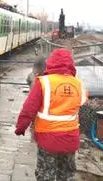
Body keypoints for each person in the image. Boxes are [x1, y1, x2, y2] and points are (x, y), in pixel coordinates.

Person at [15, 48, 89, 181]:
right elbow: (83, 101)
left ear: (51, 63)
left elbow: (29, 109)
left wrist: (21, 128)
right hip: (70, 139)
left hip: (47, 139)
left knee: (45, 174)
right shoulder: (78, 83)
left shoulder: (44, 82)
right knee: (67, 175)